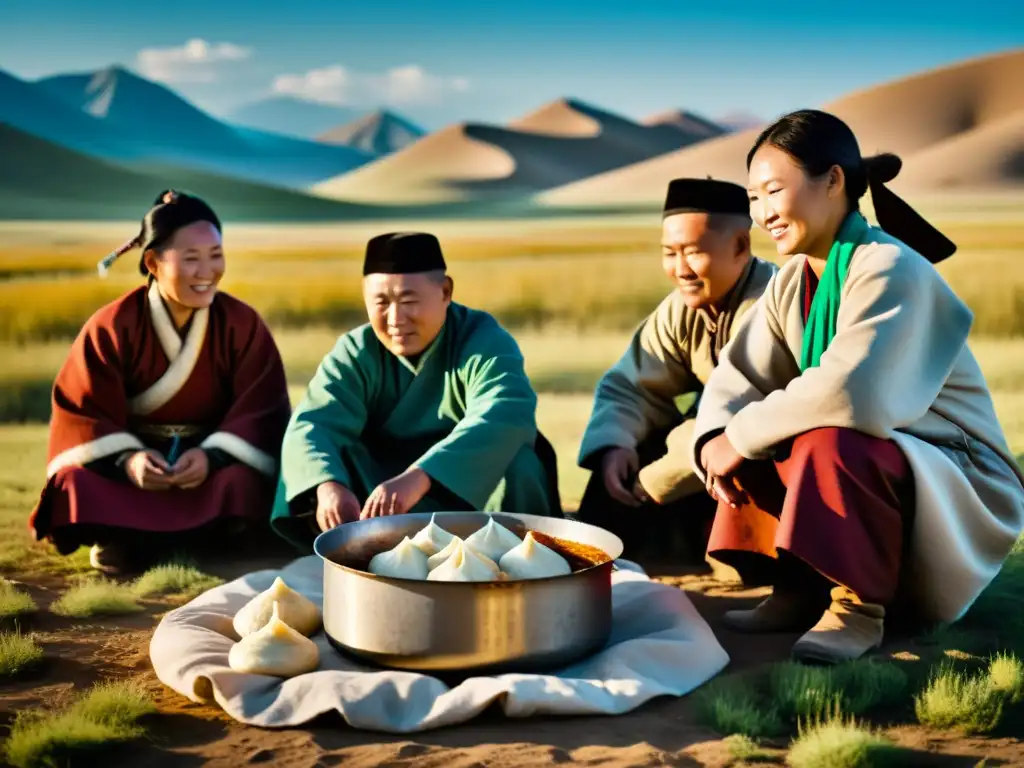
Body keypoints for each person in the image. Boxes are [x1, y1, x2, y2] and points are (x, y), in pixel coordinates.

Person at [690, 109, 1024, 664]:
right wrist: (715, 439)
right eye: (752, 198)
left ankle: (857, 606)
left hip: (955, 470)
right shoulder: (794, 280)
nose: (762, 213)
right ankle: (800, 588)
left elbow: (854, 394)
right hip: (888, 460)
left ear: (834, 181)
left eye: (774, 190)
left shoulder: (890, 265)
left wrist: (741, 435)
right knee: (749, 432)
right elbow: (737, 375)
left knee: (827, 437)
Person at [28, 190, 292, 575]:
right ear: (152, 262)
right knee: (75, 483)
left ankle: (152, 540)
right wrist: (128, 460)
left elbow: (262, 409)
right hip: (134, 471)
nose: (207, 271)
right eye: (191, 259)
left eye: (216, 255)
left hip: (209, 467)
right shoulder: (112, 325)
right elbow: (83, 413)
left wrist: (212, 456)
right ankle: (138, 538)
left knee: (245, 481)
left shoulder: (242, 323)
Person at [270, 231, 560, 550]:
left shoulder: (483, 339)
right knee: (326, 461)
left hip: (464, 488)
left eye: (409, 301)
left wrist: (421, 476)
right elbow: (313, 424)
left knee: (516, 460)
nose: (395, 319)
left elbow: (505, 411)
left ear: (445, 291)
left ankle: (511, 557)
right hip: (380, 489)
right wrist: (328, 486)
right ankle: (359, 550)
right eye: (381, 303)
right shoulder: (355, 350)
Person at [574, 178, 776, 563]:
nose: (680, 269)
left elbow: (748, 412)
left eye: (693, 252)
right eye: (670, 253)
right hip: (699, 446)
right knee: (623, 460)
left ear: (740, 247)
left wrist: (657, 477)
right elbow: (633, 387)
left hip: (750, 450)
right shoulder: (678, 309)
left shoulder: (772, 302)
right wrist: (616, 441)